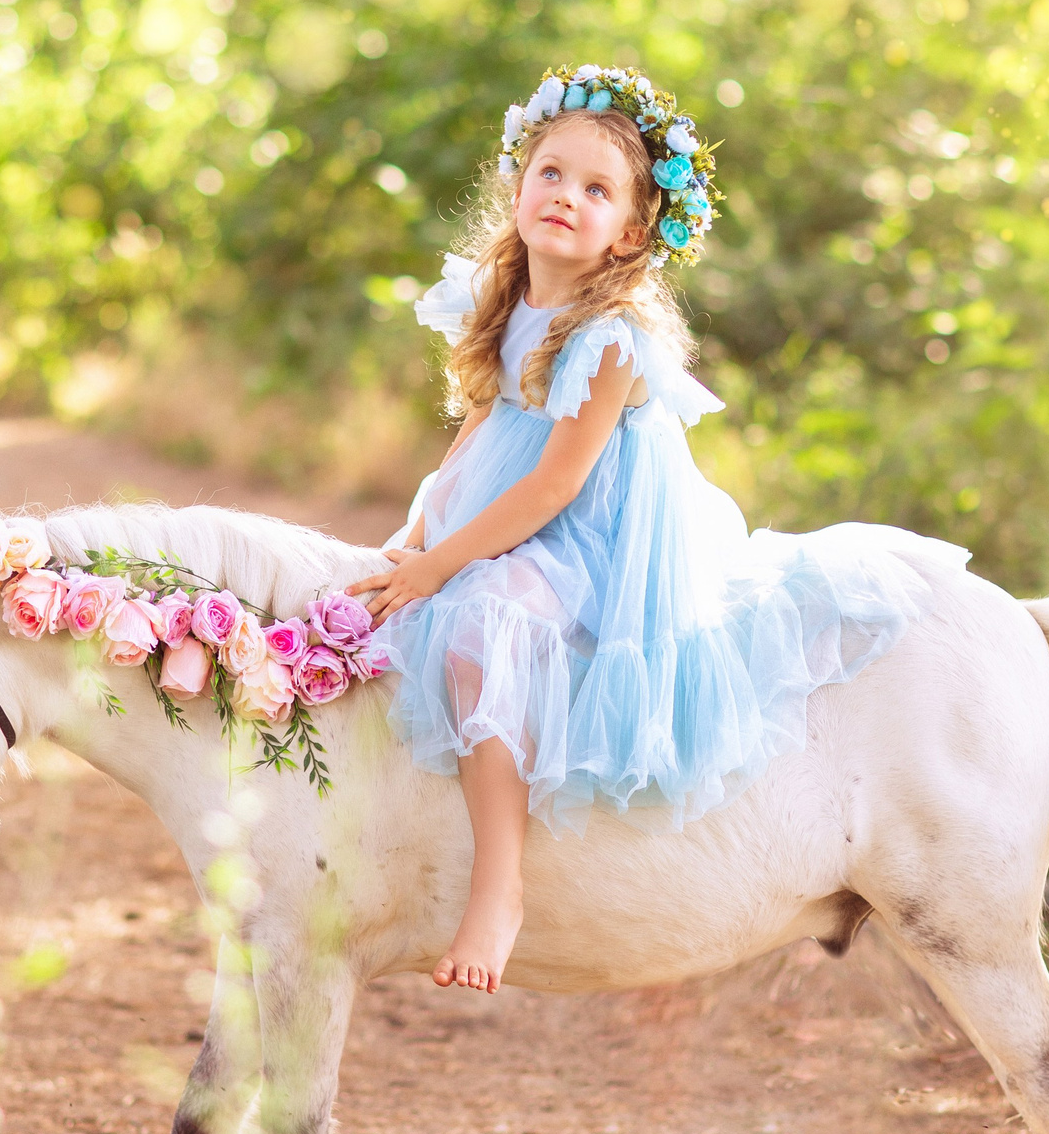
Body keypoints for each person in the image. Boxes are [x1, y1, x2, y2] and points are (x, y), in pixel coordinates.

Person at [348, 64, 958, 993]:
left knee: (483, 625)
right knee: (397, 602)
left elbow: (555, 487)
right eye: (551, 174)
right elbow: (485, 418)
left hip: (592, 539)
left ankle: (499, 886)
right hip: (513, 506)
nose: (565, 197)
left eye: (596, 190)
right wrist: (423, 521)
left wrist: (441, 566)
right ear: (518, 186)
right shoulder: (505, 299)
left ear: (630, 233)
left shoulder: (611, 336)